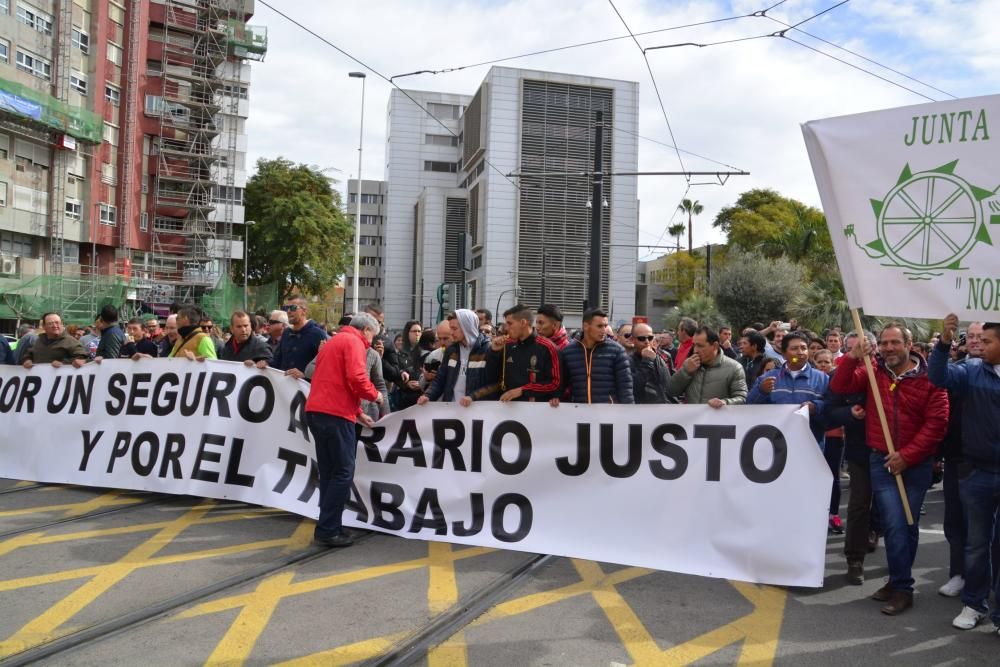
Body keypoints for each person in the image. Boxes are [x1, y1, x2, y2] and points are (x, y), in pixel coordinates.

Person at [830, 322, 948, 615]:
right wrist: (853, 357)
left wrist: (907, 456)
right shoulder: (873, 371)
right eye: (884, 343)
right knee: (896, 523)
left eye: (895, 342)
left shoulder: (932, 376)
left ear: (910, 344)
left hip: (915, 464)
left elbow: (937, 423)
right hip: (881, 460)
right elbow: (840, 386)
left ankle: (900, 584)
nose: (888, 348)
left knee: (905, 525)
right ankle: (902, 585)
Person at [929, 316, 1000, 633]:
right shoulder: (971, 371)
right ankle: (974, 604)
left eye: (987, 342)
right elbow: (937, 376)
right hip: (978, 472)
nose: (979, 346)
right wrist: (944, 344)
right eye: (978, 340)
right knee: (976, 544)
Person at [305, 312, 382, 548]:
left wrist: (358, 413)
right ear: (367, 330)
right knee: (343, 472)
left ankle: (329, 524)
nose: (371, 342)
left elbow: (331, 381)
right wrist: (375, 395)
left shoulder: (333, 342)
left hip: (318, 411)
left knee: (329, 472)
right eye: (373, 335)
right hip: (336, 415)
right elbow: (356, 378)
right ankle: (329, 529)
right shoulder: (354, 343)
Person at [748, 331, 829, 450]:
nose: (800, 352)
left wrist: (816, 407)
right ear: (784, 354)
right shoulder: (767, 378)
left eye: (804, 348)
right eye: (794, 349)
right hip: (774, 446)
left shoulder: (822, 378)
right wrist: (761, 391)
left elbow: (831, 407)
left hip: (810, 447)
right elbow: (749, 406)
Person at [478, 304, 560, 403]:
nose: (506, 328)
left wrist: (523, 390)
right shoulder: (506, 344)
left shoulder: (548, 347)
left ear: (523, 322)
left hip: (537, 412)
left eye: (510, 323)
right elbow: (490, 378)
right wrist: (494, 352)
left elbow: (555, 384)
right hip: (505, 410)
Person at [553, 308, 633, 405]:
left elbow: (625, 388)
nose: (604, 330)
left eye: (605, 326)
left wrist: (628, 413)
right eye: (599, 326)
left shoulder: (617, 351)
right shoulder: (568, 351)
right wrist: (555, 397)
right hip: (578, 412)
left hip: (609, 414)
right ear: (586, 326)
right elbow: (561, 384)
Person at [419, 309, 491, 404]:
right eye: (450, 328)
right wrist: (427, 396)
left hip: (477, 411)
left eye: (454, 328)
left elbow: (493, 384)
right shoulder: (451, 350)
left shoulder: (487, 349)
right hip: (451, 410)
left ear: (467, 327)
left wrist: (473, 397)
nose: (451, 332)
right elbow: (440, 378)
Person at [667, 326, 747, 407]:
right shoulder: (690, 364)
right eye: (694, 345)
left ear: (715, 346)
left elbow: (742, 398)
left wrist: (725, 402)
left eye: (700, 346)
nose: (695, 350)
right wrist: (685, 371)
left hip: (719, 418)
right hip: (693, 418)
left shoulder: (734, 368)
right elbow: (672, 391)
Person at [271, 297, 328, 378]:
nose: (288, 311)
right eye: (286, 308)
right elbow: (277, 360)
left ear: (304, 311)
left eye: (293, 308)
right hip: (283, 387)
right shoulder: (286, 333)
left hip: (305, 388)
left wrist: (304, 376)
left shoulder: (318, 334)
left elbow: (325, 367)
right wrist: (262, 364)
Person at [22, 312, 89, 368]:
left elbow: (83, 358)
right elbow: (29, 354)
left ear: (62, 324)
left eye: (57, 322)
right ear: (44, 326)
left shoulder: (71, 341)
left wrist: (64, 363)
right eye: (50, 323)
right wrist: (27, 360)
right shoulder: (38, 341)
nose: (55, 325)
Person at [629, 322, 669, 404]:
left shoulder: (660, 357)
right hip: (640, 410)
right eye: (641, 338)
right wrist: (647, 362)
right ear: (632, 340)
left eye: (650, 338)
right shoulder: (627, 361)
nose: (647, 341)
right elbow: (633, 387)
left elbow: (667, 385)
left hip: (662, 409)